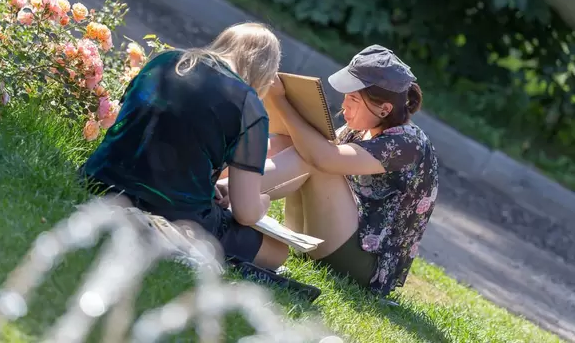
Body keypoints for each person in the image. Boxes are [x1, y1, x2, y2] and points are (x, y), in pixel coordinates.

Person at [221, 44, 440, 296]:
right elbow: (307, 146)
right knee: (293, 141)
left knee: (316, 157)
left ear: (384, 109)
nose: (344, 105)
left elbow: (321, 158)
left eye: (354, 99)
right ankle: (213, 176)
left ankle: (221, 191)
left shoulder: (408, 142)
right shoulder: (361, 127)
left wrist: (281, 100)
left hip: (364, 265)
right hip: (327, 238)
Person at [79, 22, 289, 271]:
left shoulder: (166, 60)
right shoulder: (248, 104)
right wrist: (262, 202)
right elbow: (245, 212)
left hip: (100, 180)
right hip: (172, 213)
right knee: (278, 252)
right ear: (264, 71)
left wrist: (207, 184)